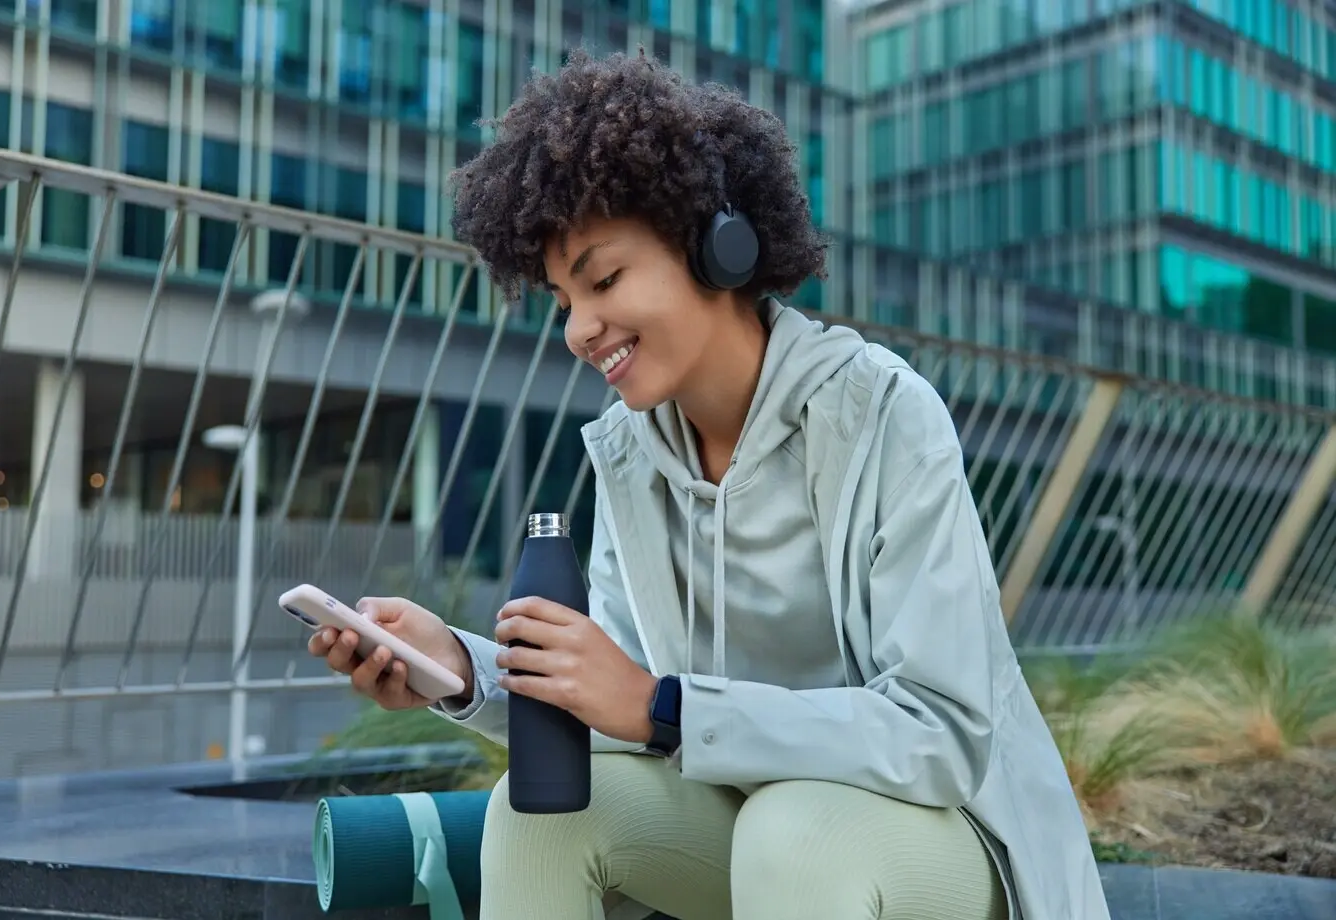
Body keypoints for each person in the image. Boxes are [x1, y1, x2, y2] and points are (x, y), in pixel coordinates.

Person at [308, 48, 1110, 920]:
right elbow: (613, 691)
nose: (579, 330)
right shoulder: (632, 455)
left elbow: (942, 734)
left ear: (716, 246)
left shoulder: (883, 414)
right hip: (752, 821)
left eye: (603, 280)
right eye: (563, 301)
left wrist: (665, 710)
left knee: (794, 833)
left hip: (947, 837)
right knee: (538, 818)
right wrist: (459, 671)